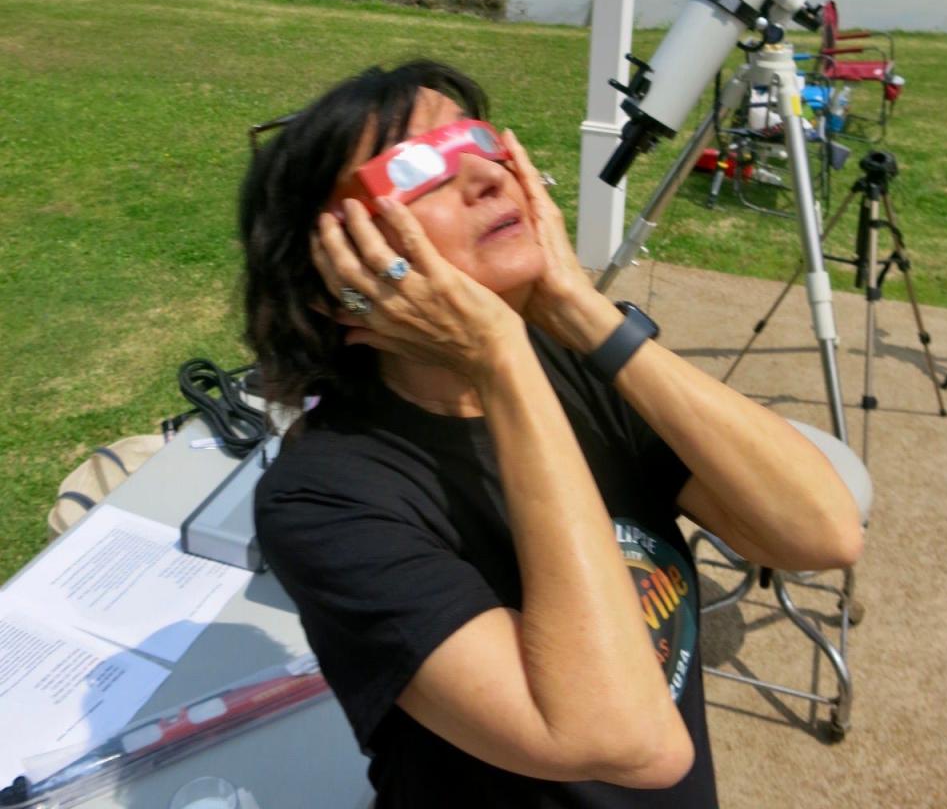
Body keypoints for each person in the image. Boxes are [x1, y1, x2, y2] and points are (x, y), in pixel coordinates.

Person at [247, 59, 863, 808]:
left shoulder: (581, 366)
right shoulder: (324, 498)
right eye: (415, 170)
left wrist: (579, 311)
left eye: (478, 141)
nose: (484, 175)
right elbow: (629, 743)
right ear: (335, 276)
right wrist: (499, 358)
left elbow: (819, 533)